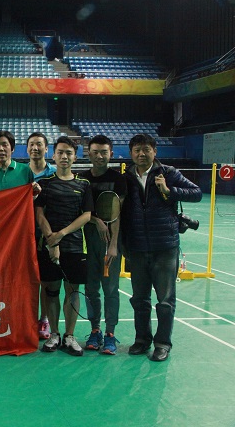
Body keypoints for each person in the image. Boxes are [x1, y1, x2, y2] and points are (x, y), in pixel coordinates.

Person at [122, 133, 202, 362]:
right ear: (131, 153)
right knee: (139, 299)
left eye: (146, 149)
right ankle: (142, 340)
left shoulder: (168, 173)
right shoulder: (126, 177)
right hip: (137, 248)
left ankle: (163, 344)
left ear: (154, 152)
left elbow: (196, 193)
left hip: (165, 247)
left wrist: (170, 191)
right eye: (137, 150)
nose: (142, 154)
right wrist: (125, 244)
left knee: (165, 301)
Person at [35, 136, 93, 356]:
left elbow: (86, 215)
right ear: (54, 156)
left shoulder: (83, 184)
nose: (64, 156)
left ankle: (69, 335)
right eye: (60, 152)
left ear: (75, 157)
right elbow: (39, 214)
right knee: (50, 290)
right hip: (48, 245)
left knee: (72, 291)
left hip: (75, 246)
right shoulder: (45, 184)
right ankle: (54, 334)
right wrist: (51, 238)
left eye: (69, 153)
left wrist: (61, 235)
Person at [81, 135, 127, 355]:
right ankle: (95, 330)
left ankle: (110, 333)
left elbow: (117, 213)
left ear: (111, 154)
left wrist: (114, 245)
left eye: (104, 152)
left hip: (110, 242)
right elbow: (80, 211)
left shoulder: (118, 179)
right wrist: (96, 220)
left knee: (110, 289)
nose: (100, 156)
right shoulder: (82, 179)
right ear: (88, 154)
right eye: (95, 152)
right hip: (88, 241)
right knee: (91, 289)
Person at [27, 132, 58, 340]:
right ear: (27, 148)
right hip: (22, 235)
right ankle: (27, 319)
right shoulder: (21, 173)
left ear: (46, 149)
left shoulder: (55, 173)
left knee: (46, 281)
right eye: (32, 144)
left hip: (47, 235)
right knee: (26, 281)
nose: (35, 148)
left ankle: (44, 319)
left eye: (39, 144)